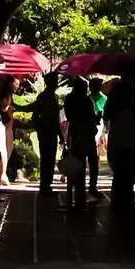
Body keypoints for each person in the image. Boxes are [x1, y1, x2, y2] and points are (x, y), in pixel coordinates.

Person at [104, 67, 135, 245]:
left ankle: (121, 203)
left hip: (121, 140)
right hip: (128, 141)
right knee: (126, 175)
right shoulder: (128, 103)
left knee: (122, 175)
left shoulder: (115, 102)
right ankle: (124, 203)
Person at [61, 69, 101, 204]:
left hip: (76, 133)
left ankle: (79, 186)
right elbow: (91, 117)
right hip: (87, 133)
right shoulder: (86, 101)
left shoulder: (69, 99)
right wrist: (96, 118)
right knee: (92, 161)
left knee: (78, 161)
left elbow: (69, 115)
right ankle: (90, 186)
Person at [30, 70, 63, 199]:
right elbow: (35, 115)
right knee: (46, 158)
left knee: (50, 159)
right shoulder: (43, 97)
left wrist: (59, 133)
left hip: (52, 130)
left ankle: (47, 184)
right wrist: (40, 128)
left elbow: (56, 118)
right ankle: (44, 185)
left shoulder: (54, 97)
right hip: (46, 131)